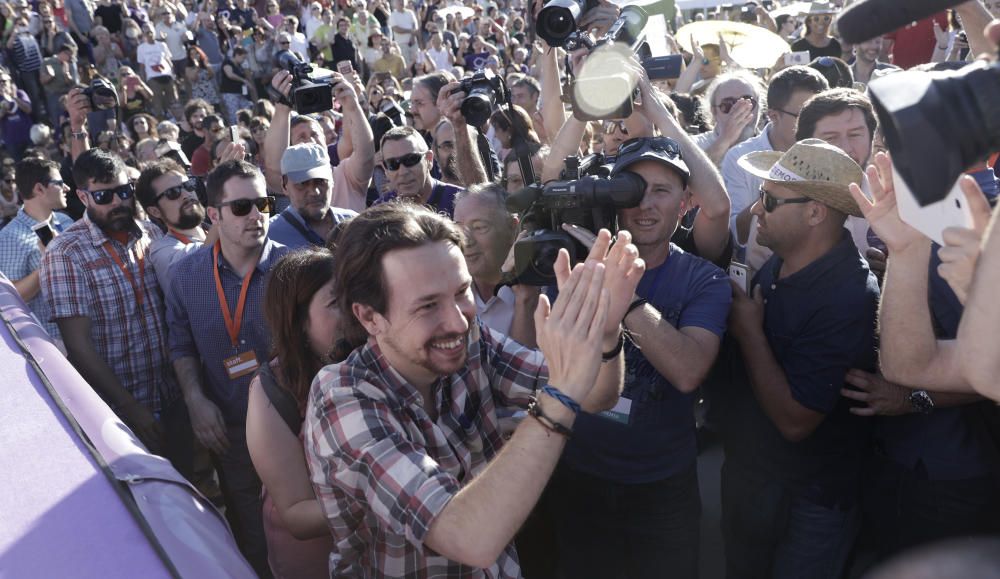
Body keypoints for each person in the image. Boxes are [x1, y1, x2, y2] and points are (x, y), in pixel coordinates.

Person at [304, 202, 644, 576]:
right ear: (369, 317)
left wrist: (606, 332)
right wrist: (559, 395)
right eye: (427, 306)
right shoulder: (341, 397)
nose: (457, 320)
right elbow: (469, 538)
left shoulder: (470, 340)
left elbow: (596, 394)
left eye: (462, 292)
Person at [548, 136, 732, 579]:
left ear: (685, 203)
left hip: (661, 486)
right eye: (632, 188)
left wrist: (623, 297)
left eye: (661, 190)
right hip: (579, 476)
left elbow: (688, 371)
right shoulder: (572, 269)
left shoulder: (704, 280)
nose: (645, 204)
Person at [714, 139, 879, 579]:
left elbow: (795, 419)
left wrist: (749, 333)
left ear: (815, 212)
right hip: (754, 480)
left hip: (809, 502)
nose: (757, 209)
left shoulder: (847, 297)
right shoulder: (783, 261)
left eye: (769, 199)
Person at [166, 159, 289, 577]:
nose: (256, 215)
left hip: (298, 427)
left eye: (263, 204)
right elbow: (180, 342)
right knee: (253, 542)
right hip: (231, 433)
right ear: (214, 214)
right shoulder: (185, 277)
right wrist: (195, 398)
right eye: (242, 207)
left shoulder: (298, 270)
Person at [40, 149, 185, 466]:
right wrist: (131, 408)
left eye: (123, 191)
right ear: (83, 196)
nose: (118, 202)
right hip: (119, 416)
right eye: (104, 196)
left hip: (174, 395)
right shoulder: (65, 253)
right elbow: (79, 347)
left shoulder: (150, 232)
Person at [246, 249, 339, 579]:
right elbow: (297, 515)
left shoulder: (371, 364)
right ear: (298, 321)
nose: (355, 312)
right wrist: (391, 501)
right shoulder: (271, 391)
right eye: (335, 303)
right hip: (314, 563)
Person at [721, 66, 829, 253]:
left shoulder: (833, 155)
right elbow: (735, 234)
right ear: (773, 115)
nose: (816, 124)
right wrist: (773, 194)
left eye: (822, 114)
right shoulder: (740, 158)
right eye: (804, 116)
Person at [263, 70, 375, 214]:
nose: (310, 140)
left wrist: (352, 106)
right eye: (301, 137)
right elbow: (274, 168)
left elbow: (365, 156)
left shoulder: (345, 175)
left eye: (315, 134)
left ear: (325, 139)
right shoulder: (290, 183)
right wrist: (282, 108)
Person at [452, 183, 538, 346]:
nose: (466, 241)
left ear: (513, 228)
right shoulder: (449, 294)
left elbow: (524, 369)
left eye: (479, 227)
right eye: (458, 229)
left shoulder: (543, 290)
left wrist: (525, 301)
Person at [0, 157, 73, 340]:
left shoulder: (66, 221)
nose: (67, 188)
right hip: (51, 341)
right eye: (59, 183)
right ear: (39, 189)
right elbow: (13, 299)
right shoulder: (10, 237)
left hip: (88, 330)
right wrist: (48, 261)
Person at [135, 158, 217, 289]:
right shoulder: (161, 251)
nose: (186, 194)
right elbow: (199, 260)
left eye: (188, 185)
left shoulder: (216, 230)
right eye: (173, 192)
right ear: (155, 211)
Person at [268, 143, 356, 248]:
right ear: (284, 185)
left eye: (321, 181)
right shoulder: (271, 236)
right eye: (302, 183)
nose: (314, 192)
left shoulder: (354, 224)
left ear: (332, 179)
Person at [374, 126, 463, 216]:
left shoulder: (461, 202)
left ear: (429, 159)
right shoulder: (380, 213)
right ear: (385, 169)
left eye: (411, 160)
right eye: (392, 164)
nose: (403, 172)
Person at [694, 71, 766, 166]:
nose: (739, 110)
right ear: (714, 112)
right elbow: (692, 177)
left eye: (748, 103)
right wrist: (725, 140)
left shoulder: (770, 147)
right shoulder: (694, 145)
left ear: (759, 108)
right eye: (728, 104)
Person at [135, 23, 177, 119]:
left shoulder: (162, 45)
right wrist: (143, 80)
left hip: (167, 75)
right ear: (143, 34)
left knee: (172, 100)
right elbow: (142, 65)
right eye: (146, 33)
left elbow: (168, 60)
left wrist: (173, 74)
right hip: (153, 77)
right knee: (157, 101)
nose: (149, 34)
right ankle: (160, 119)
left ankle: (174, 118)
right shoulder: (141, 48)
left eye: (150, 32)